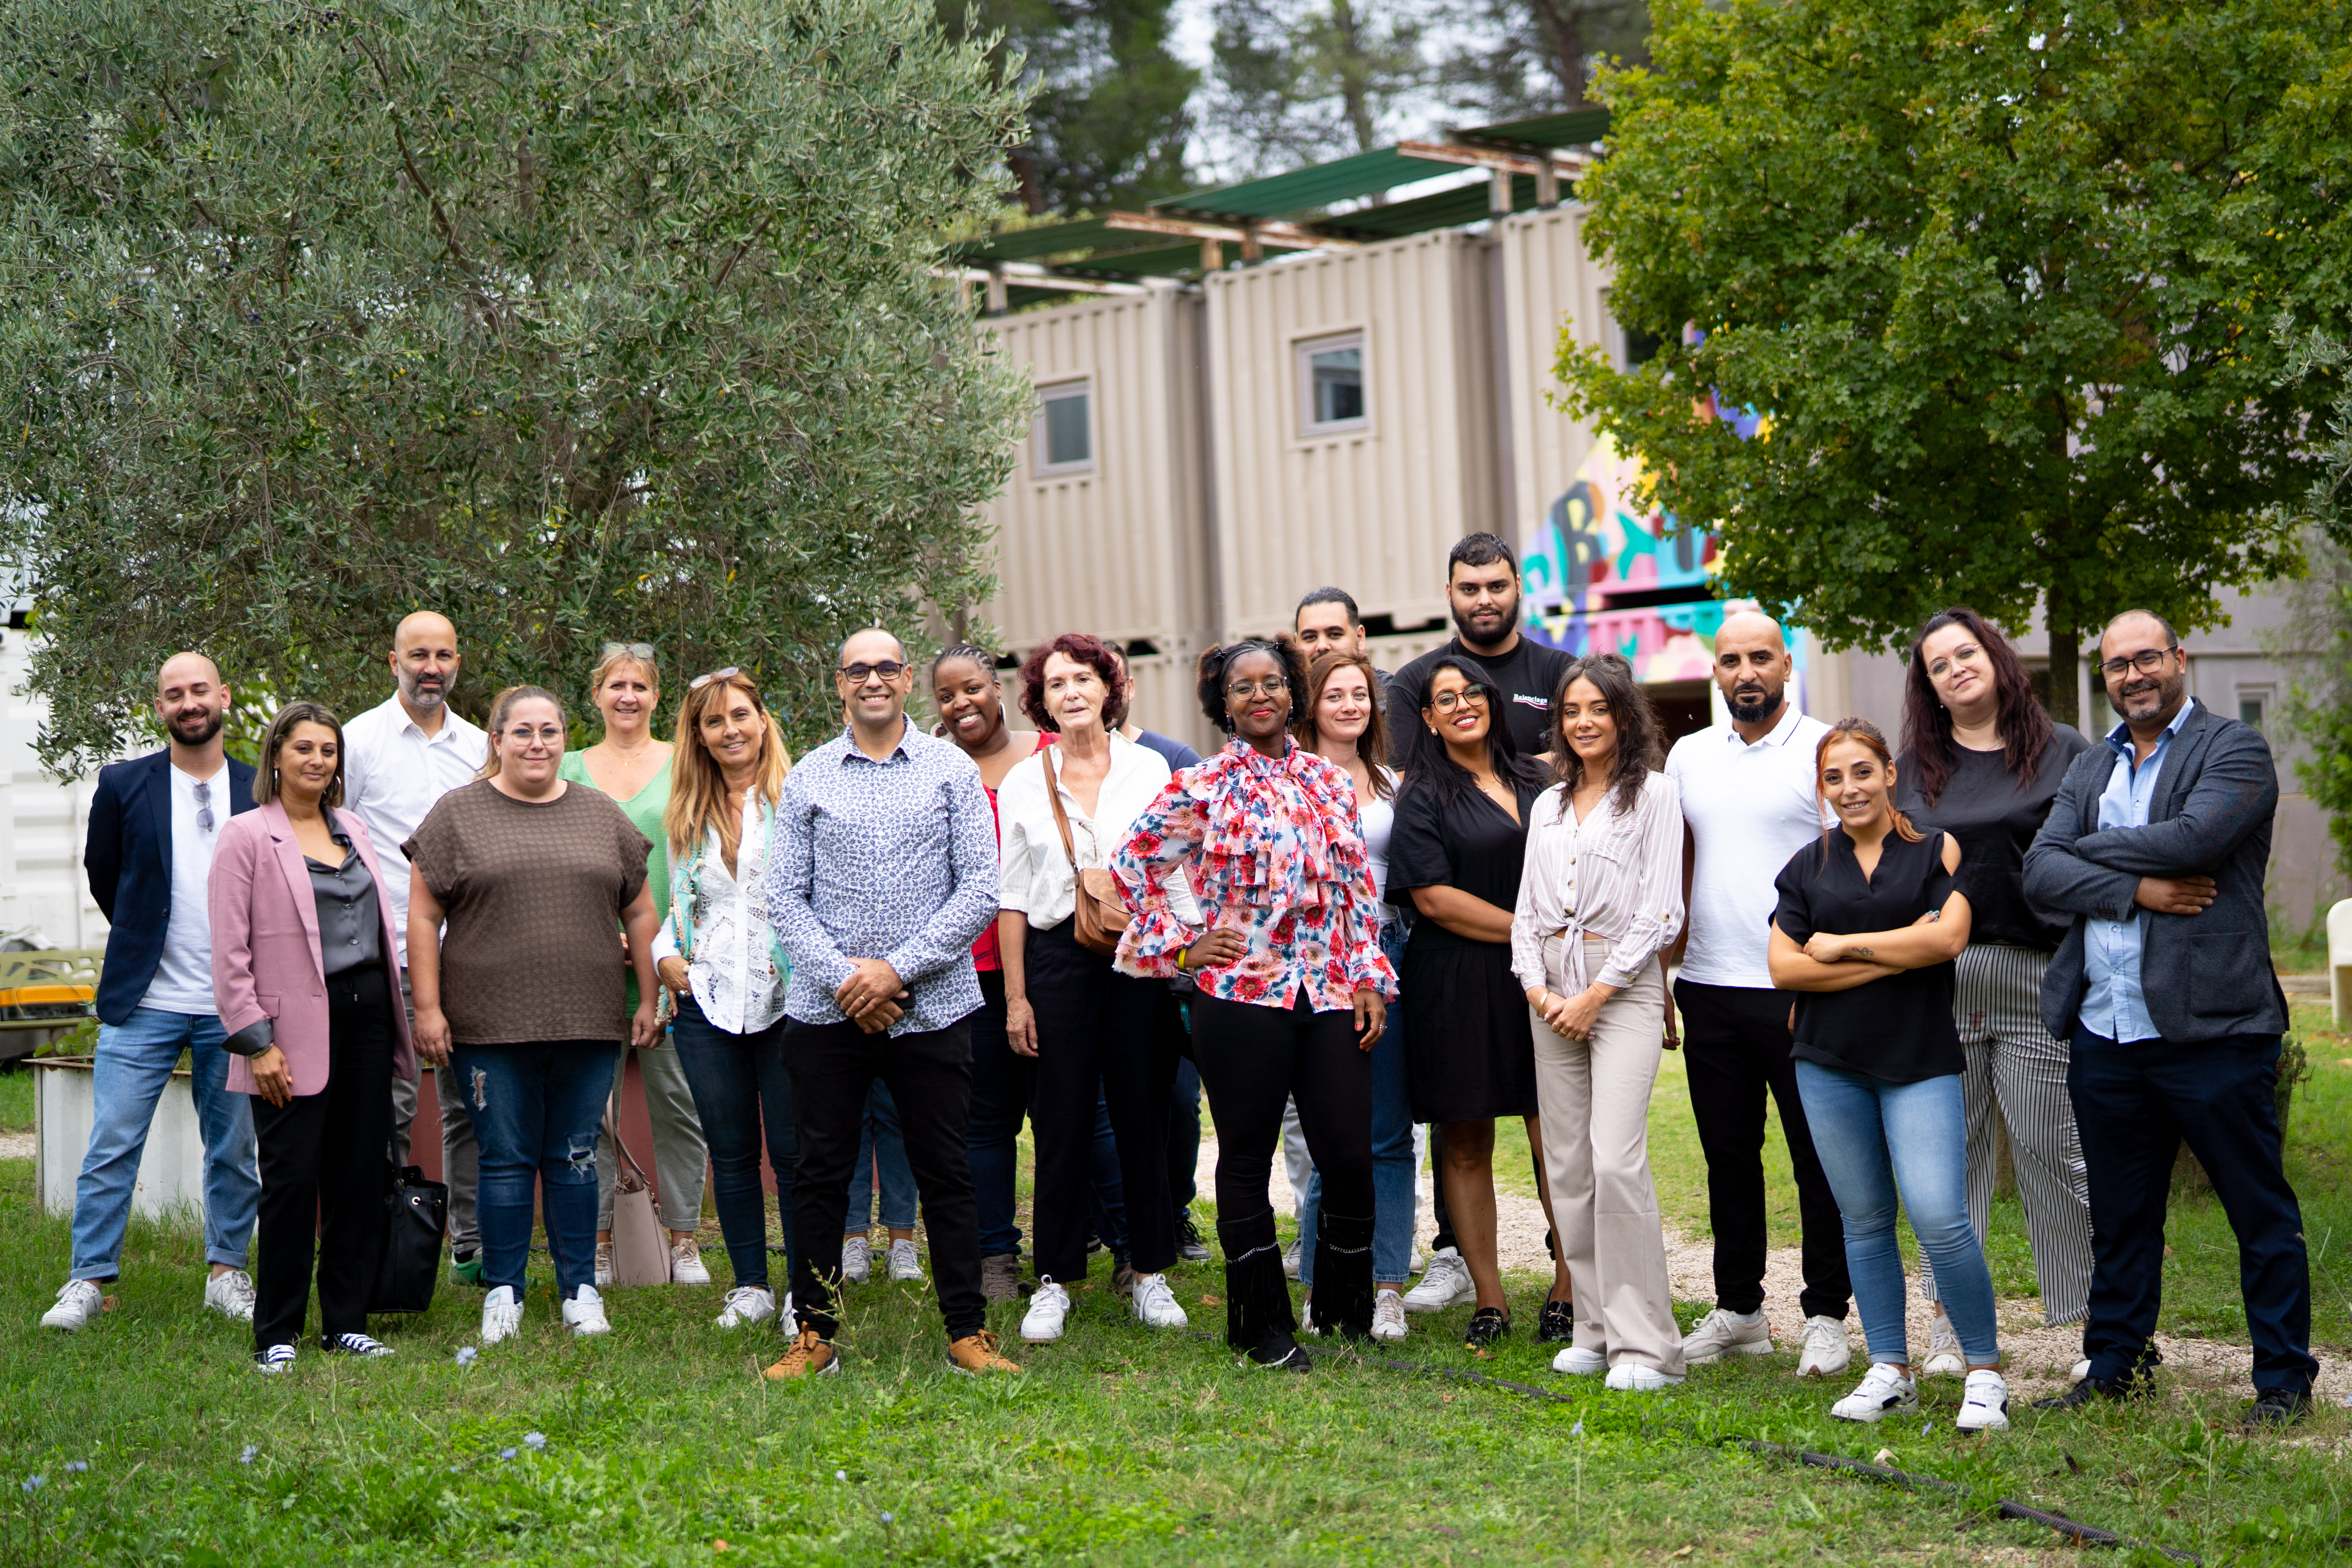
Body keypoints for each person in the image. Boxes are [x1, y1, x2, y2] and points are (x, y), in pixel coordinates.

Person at [2023, 611, 2316, 1429]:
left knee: (2257, 1210)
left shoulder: (2233, 748)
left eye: (2147, 657)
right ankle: (2118, 1365)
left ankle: (2285, 1379)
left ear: (2179, 659)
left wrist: (2089, 852)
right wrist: (2137, 887)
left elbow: (2196, 837)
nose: (2133, 675)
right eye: (2117, 665)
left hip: (2213, 1028)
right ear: (2105, 677)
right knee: (2120, 1215)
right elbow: (2038, 875)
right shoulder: (2094, 764)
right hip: (2106, 1029)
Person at [1110, 638, 1395, 1372]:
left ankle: (1343, 1311)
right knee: (1246, 1155)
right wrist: (1181, 943)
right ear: (1224, 703)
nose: (1260, 695)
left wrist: (1367, 975)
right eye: (1244, 687)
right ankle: (1260, 1324)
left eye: (1273, 683)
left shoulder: (1331, 784)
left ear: (1293, 694)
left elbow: (1358, 896)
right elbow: (1134, 859)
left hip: (1331, 992)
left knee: (1348, 1154)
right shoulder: (1203, 786)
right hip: (1240, 997)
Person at [757, 629, 1020, 1378]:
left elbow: (979, 886)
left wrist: (894, 973)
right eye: (857, 670)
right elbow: (784, 897)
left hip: (931, 1006)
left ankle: (967, 1333)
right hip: (826, 1009)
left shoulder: (950, 772)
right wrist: (850, 980)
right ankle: (815, 1334)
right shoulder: (809, 776)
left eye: (886, 668)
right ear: (839, 685)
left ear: (907, 680)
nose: (872, 680)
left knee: (947, 1171)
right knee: (819, 1175)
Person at [1768, 718, 2010, 1431]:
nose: (1850, 788)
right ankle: (1889, 1368)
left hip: (1918, 1061)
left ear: (1889, 773)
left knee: (1940, 1215)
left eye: (1862, 771)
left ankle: (1985, 1372)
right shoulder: (1806, 866)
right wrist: (1894, 955)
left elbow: (1948, 939)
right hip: (1829, 1065)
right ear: (1823, 788)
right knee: (1866, 1219)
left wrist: (1842, 947)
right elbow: (1784, 967)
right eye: (1834, 777)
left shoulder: (1936, 850)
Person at [405, 685, 663, 1346]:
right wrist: (429, 1008)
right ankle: (504, 1290)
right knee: (504, 1157)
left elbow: (638, 912)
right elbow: (424, 915)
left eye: (549, 731)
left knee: (576, 1155)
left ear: (563, 739)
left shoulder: (600, 814)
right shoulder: (456, 815)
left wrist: (651, 996)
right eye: (522, 732)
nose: (537, 744)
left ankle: (580, 1289)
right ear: (496, 741)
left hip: (588, 1019)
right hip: (488, 1025)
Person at [1894, 608, 2094, 1378]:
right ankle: (1951, 1329)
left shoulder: (2065, 753)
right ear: (1931, 688)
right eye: (1938, 665)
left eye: (1965, 653)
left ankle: (2087, 1328)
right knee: (1951, 1159)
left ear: (1997, 658)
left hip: (2036, 974)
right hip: (1936, 980)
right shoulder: (1913, 769)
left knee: (2052, 1150)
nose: (1955, 669)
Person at [43, 653, 262, 1332]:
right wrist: (145, 937)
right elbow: (105, 875)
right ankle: (89, 1279)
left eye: (200, 690)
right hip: (145, 1001)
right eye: (174, 694)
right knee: (112, 1140)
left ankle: (228, 1271)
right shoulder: (123, 783)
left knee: (233, 1146)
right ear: (159, 707)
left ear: (224, 695)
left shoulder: (262, 787)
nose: (189, 702)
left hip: (234, 1004)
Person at [1663, 609, 1854, 1375]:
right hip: (1708, 986)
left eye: (1761, 658)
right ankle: (1740, 1309)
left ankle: (1826, 1314)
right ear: (1716, 670)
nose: (1746, 672)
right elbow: (1675, 863)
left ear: (1786, 665)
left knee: (1820, 1159)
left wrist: (1828, 972)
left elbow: (1849, 865)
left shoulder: (1821, 751)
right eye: (1731, 659)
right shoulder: (1688, 755)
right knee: (1728, 1159)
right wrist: (1666, 975)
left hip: (1796, 989)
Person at [211, 703, 415, 1372]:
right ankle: (276, 1331)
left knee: (359, 1174)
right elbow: (230, 951)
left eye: (328, 750)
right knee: (292, 1181)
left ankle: (346, 1321)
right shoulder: (246, 835)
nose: (317, 760)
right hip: (288, 1031)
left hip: (366, 1017)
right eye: (303, 748)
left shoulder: (351, 826)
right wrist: (256, 1041)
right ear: (276, 755)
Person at [999, 633, 1192, 1342]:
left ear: (1110, 688)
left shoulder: (1150, 770)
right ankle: (1054, 1279)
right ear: (1041, 701)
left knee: (1146, 1114)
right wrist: (1018, 998)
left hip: (1140, 954)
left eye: (1084, 678)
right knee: (1060, 1118)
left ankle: (1149, 1273)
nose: (1072, 691)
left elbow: (1175, 872)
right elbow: (1011, 898)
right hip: (1056, 959)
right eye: (1057, 684)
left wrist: (1187, 952)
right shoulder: (1026, 778)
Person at [1389, 651, 1575, 1349]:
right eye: (1445, 697)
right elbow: (1433, 898)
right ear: (1430, 719)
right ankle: (1489, 1296)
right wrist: (1530, 929)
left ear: (1492, 701)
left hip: (1545, 979)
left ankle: (1567, 1282)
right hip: (1460, 979)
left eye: (1473, 690)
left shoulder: (1541, 779)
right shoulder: (1420, 793)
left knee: (1552, 1133)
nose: (1462, 702)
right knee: (1465, 1140)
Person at [1512, 655, 1687, 1391]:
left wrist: (1597, 992)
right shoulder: (1548, 805)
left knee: (1616, 1160)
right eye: (1573, 710)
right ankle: (1593, 1325)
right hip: (1549, 993)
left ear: (1624, 716)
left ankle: (1648, 1347)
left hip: (1623, 992)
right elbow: (1525, 913)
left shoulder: (1656, 795)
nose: (1585, 722)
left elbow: (1663, 910)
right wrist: (1536, 986)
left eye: (1599, 709)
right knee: (1569, 1168)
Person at [342, 611, 489, 1283]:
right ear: (391, 659)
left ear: (459, 662)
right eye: (418, 654)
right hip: (388, 954)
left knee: (471, 1104)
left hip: (474, 954)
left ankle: (471, 1246)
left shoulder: (483, 745)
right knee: (390, 1108)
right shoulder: (357, 741)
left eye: (444, 655)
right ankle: (380, 1252)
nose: (431, 666)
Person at [651, 666, 799, 1333]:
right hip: (708, 1001)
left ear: (763, 718)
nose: (731, 728)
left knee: (797, 1153)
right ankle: (750, 1285)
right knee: (732, 1151)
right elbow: (679, 911)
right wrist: (664, 957)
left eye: (741, 714)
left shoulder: (800, 798)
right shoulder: (685, 813)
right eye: (715, 721)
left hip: (793, 999)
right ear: (700, 736)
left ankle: (805, 1288)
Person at [558, 644, 709, 1288]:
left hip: (669, 962)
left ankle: (683, 1241)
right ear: (595, 694)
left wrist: (657, 943)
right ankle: (598, 1243)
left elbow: (699, 866)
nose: (627, 696)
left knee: (680, 1102)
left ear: (656, 697)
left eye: (639, 686)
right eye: (615, 684)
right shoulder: (564, 765)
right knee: (588, 1109)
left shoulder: (684, 766)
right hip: (583, 965)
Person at [1292, 648, 1413, 1342]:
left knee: (1390, 1133)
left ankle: (1388, 1284)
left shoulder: (1391, 782)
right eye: (1333, 694)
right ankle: (1318, 1284)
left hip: (1389, 954)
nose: (1348, 705)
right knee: (1330, 1135)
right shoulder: (1293, 779)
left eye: (1359, 694)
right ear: (1311, 704)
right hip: (1319, 964)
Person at [1103, 643, 1211, 1262]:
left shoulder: (1172, 758)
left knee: (1180, 1097)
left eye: (1107, 678)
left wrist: (1190, 939)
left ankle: (1176, 1210)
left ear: (1126, 687)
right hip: (1114, 951)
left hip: (1181, 965)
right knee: (1123, 1099)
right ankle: (1124, 1226)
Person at [1387, 534, 1572, 761]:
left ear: (1518, 587)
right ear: (1449, 593)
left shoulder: (1563, 673)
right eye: (1469, 590)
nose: (1484, 600)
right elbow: (1405, 781)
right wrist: (1543, 762)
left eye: (1497, 587)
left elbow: (1587, 765)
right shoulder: (1414, 683)